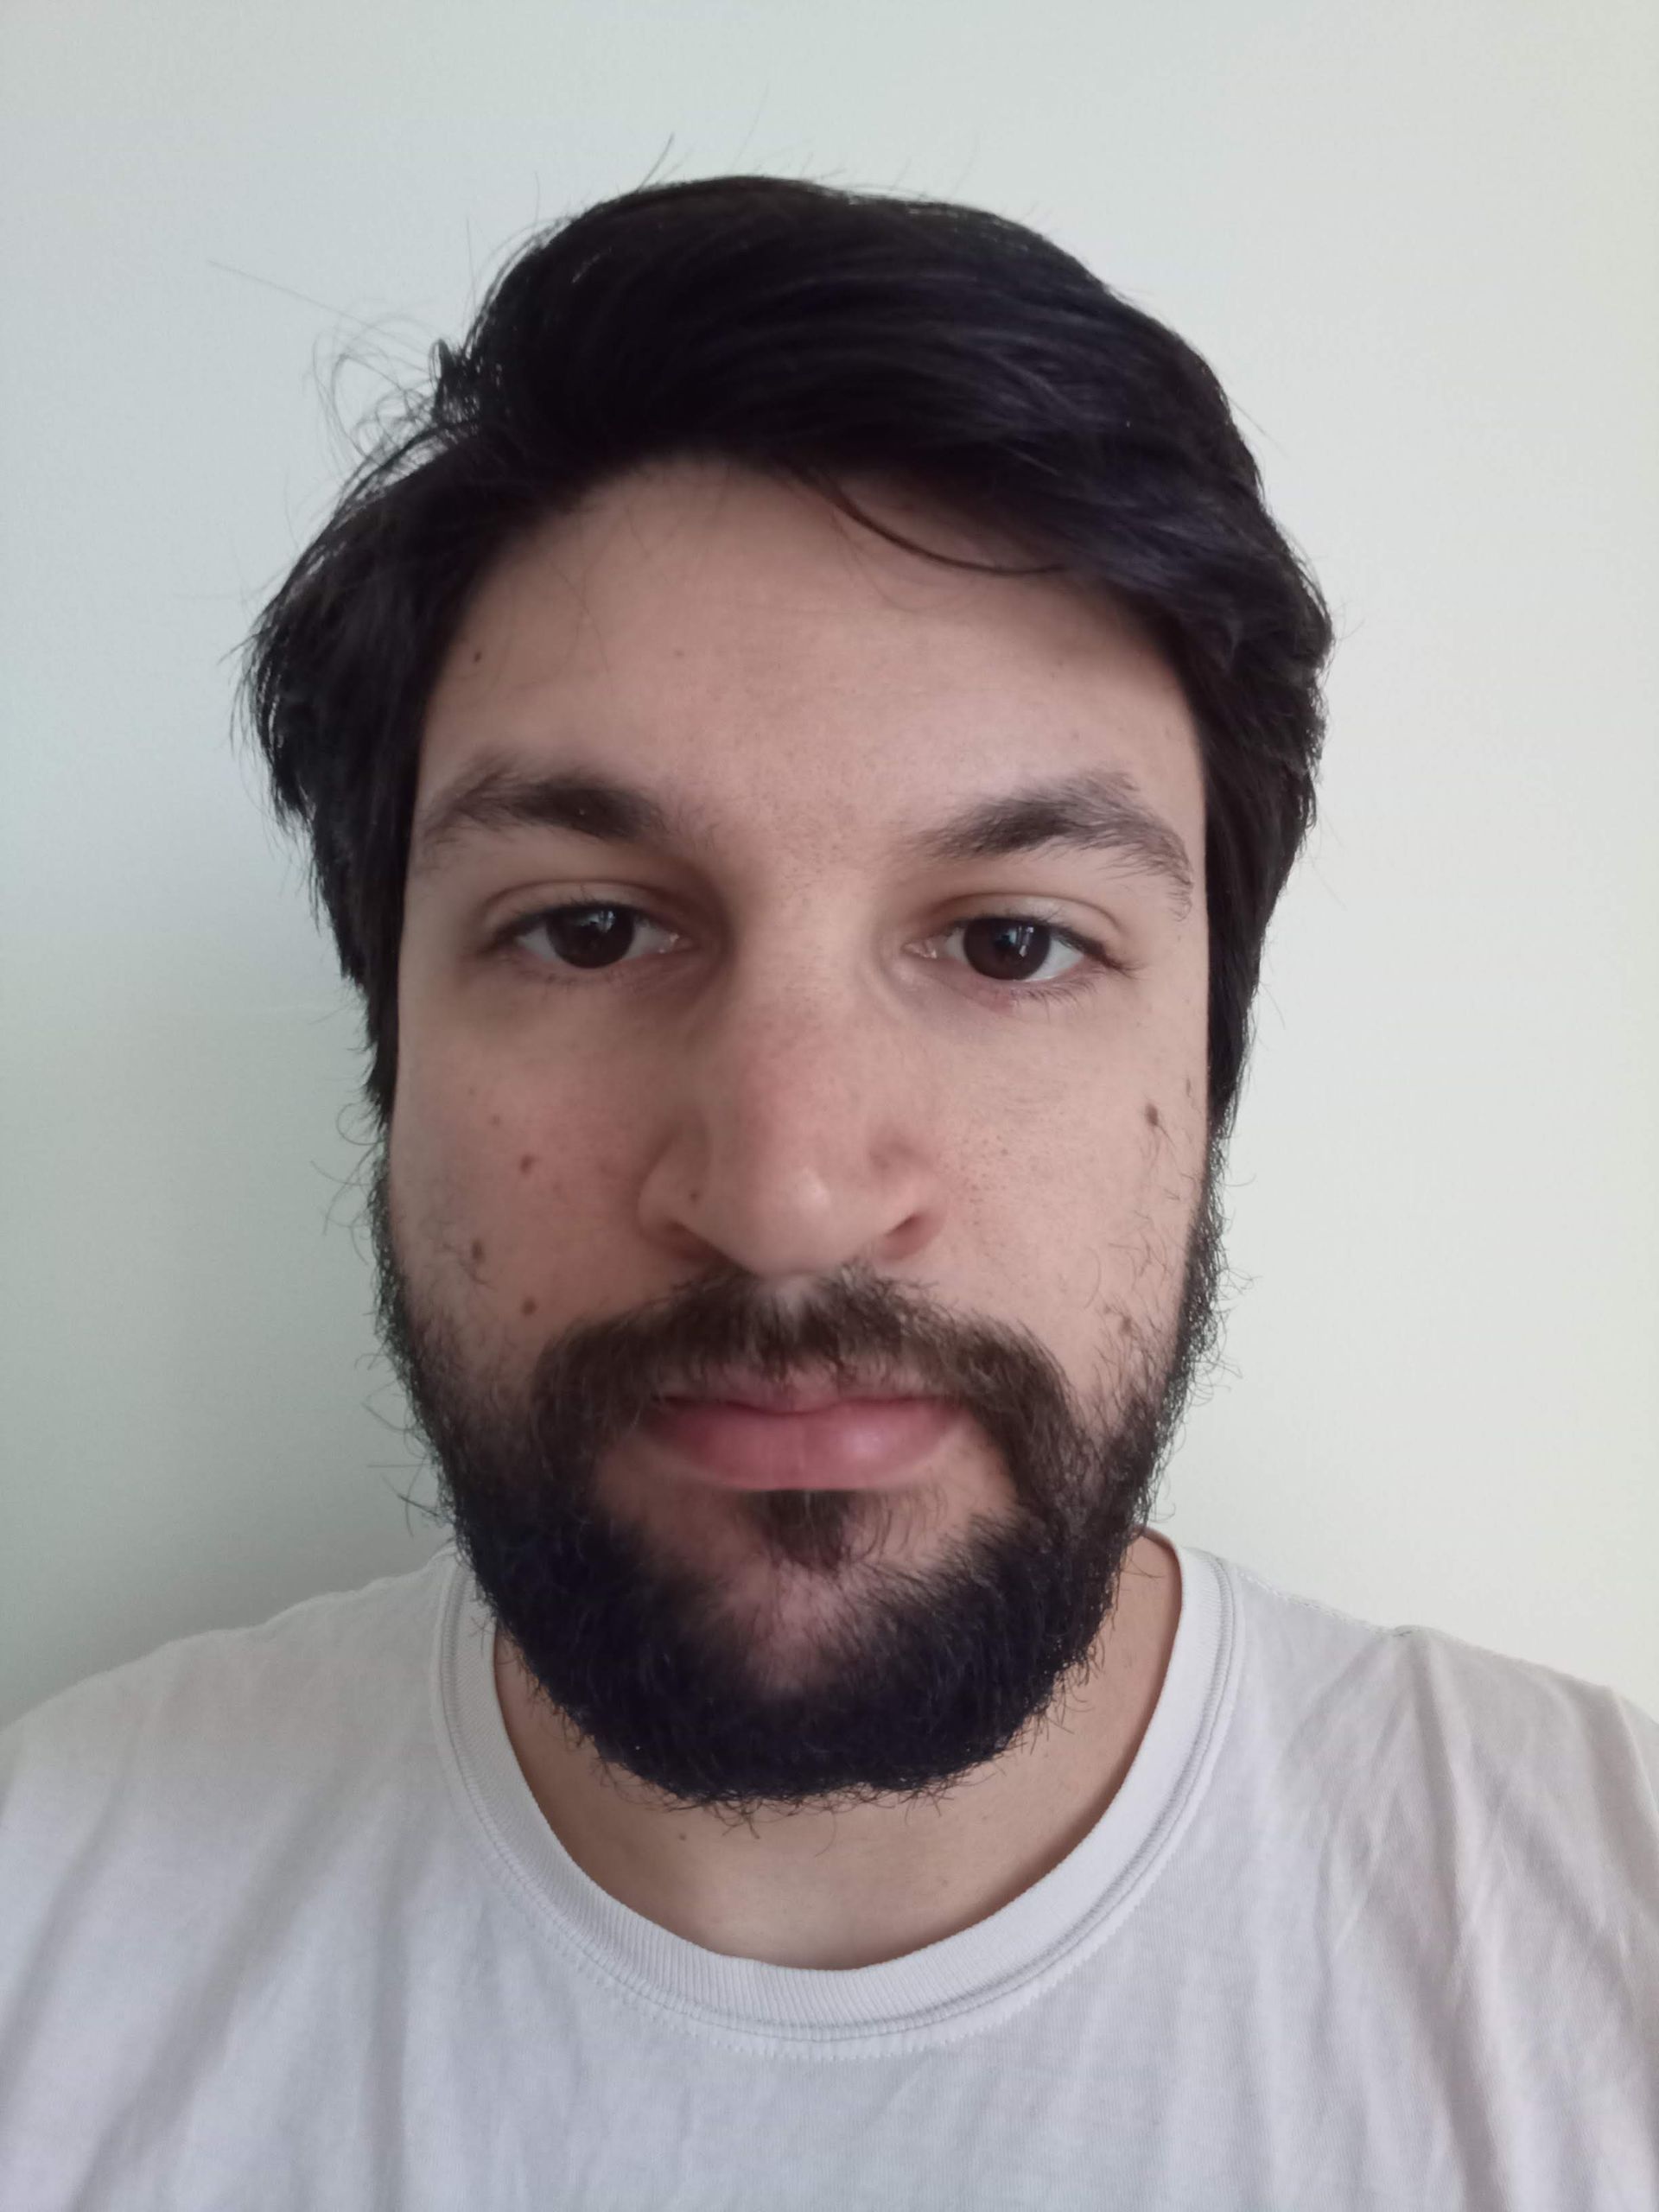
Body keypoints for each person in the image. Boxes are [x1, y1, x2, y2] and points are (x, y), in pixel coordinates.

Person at [0, 175, 1652, 2211]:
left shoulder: (1604, 1943)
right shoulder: (47, 1936)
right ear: (391, 1047)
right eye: (590, 927)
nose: (784, 1196)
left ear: (1209, 1067)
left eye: (1013, 940)